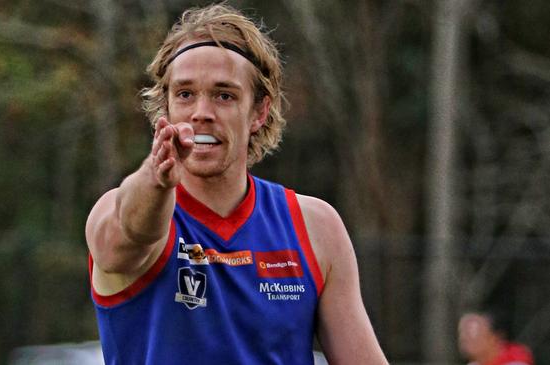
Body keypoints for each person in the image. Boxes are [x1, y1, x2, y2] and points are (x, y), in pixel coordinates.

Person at [85, 4, 388, 364]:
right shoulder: (122, 209)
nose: (201, 112)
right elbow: (132, 234)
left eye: (224, 95)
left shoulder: (314, 226)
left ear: (259, 111)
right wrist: (156, 175)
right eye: (185, 94)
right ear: (165, 107)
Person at [458, 310, 534, 365]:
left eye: (474, 336)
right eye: (464, 335)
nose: (465, 341)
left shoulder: (517, 362)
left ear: (494, 338)